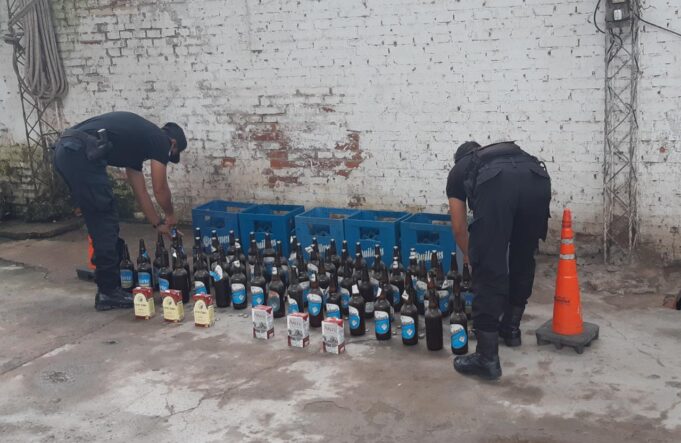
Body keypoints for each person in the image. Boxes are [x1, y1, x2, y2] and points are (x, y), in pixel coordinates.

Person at [53, 111, 187, 311]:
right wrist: (170, 216)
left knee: (100, 219)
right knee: (105, 222)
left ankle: (109, 282)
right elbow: (160, 188)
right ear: (173, 143)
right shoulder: (161, 140)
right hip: (81, 153)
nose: (167, 156)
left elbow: (140, 192)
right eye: (171, 154)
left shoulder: (137, 146)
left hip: (67, 151)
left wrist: (158, 224)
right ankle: (108, 292)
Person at [446, 141, 551, 380]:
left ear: (459, 159)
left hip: (499, 185)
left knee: (488, 266)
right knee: (523, 256)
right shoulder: (499, 156)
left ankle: (487, 358)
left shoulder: (460, 170)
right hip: (537, 179)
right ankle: (510, 329)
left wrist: (471, 257)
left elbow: (459, 228)